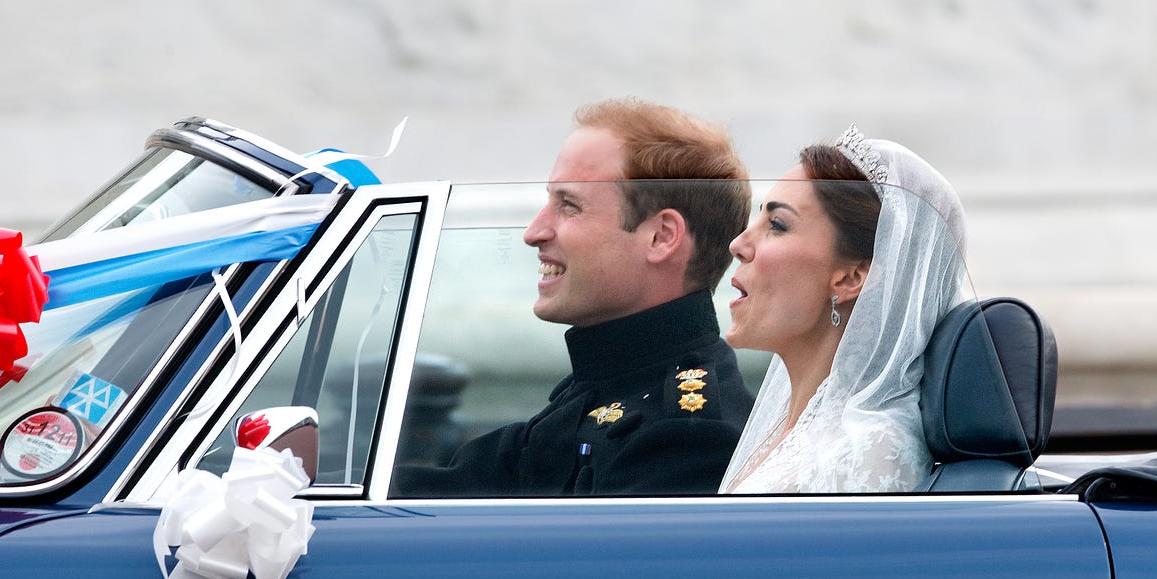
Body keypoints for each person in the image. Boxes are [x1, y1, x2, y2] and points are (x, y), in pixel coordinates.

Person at [393, 97, 755, 497]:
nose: (534, 232)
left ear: (661, 236)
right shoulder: (604, 382)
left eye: (568, 205)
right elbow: (456, 487)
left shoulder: (686, 437)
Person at [720, 125, 969, 494]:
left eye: (777, 225)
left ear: (852, 277)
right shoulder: (793, 425)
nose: (738, 244)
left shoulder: (869, 452)